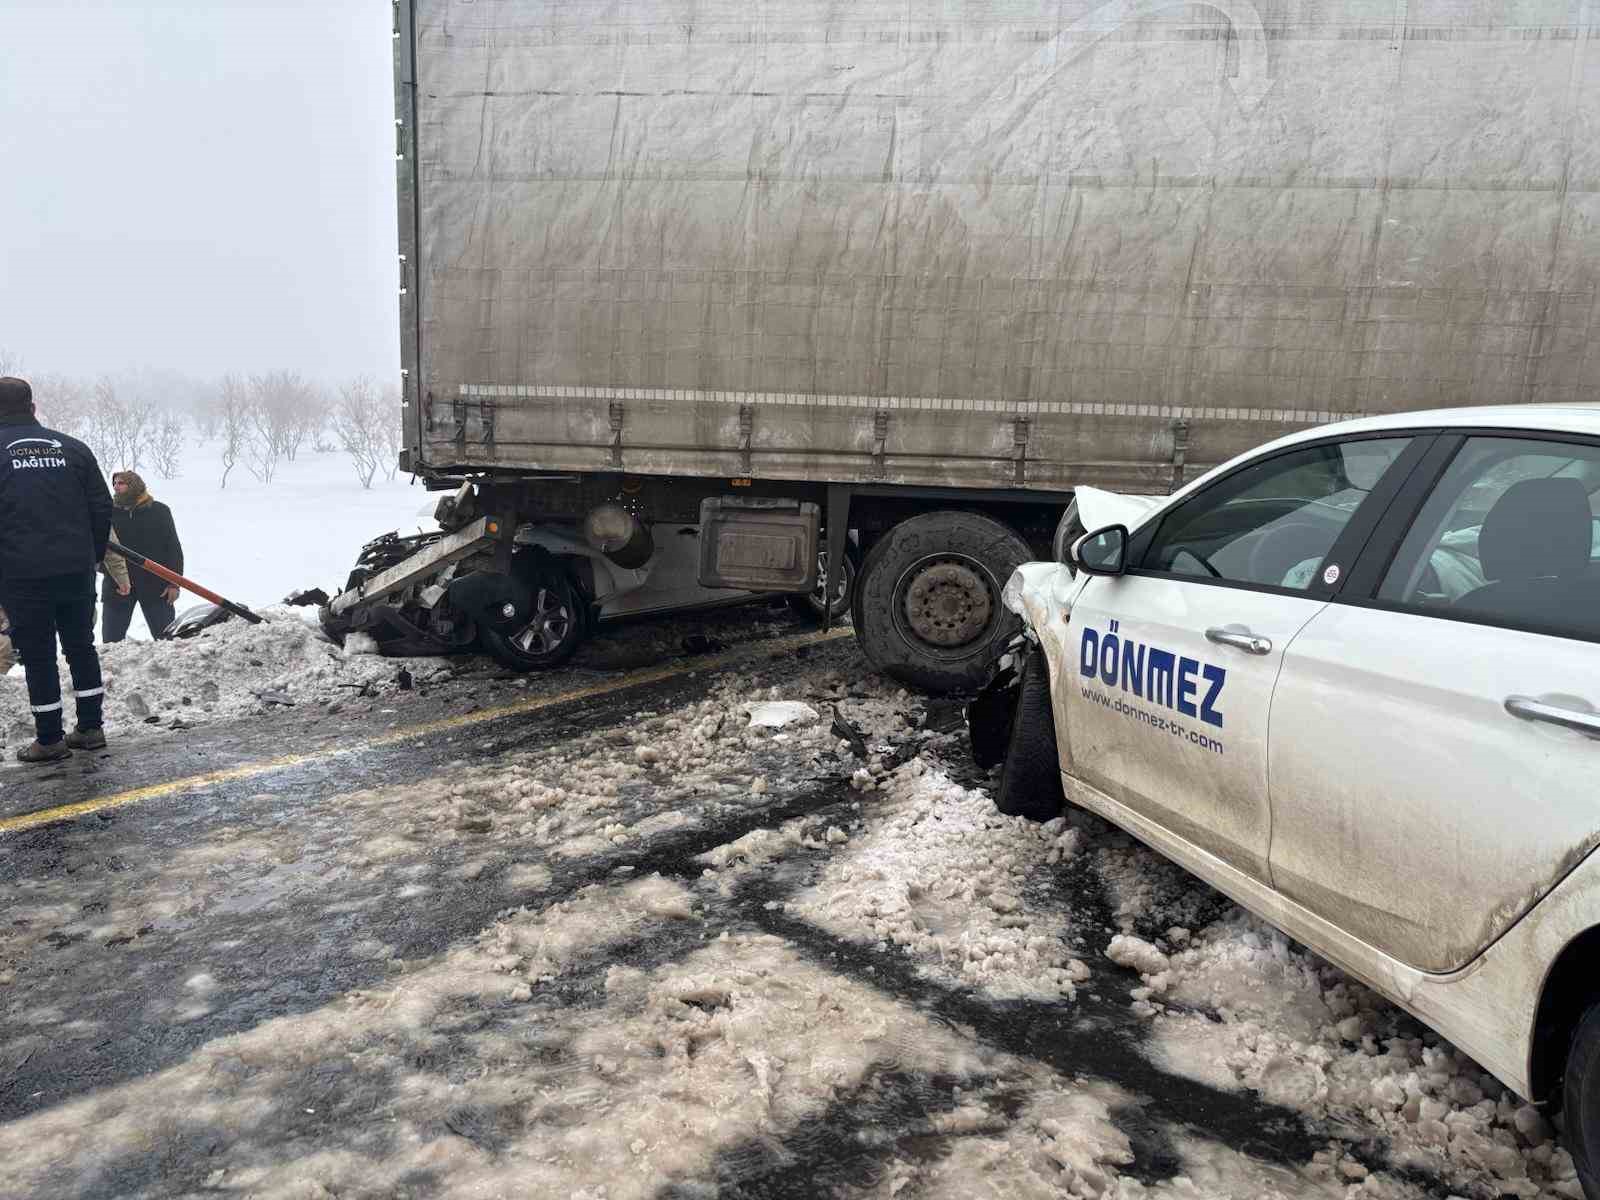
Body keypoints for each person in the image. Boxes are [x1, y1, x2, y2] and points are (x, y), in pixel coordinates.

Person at [0, 376, 114, 762]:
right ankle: (91, 728)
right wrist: (91, 556)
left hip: (21, 574)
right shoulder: (74, 449)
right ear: (32, 407)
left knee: (38, 655)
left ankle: (49, 739)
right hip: (75, 569)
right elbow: (102, 507)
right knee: (81, 646)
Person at [103, 469, 183, 641]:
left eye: (121, 483)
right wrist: (106, 570)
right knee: (111, 643)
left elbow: (173, 548)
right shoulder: (107, 512)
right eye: (114, 483)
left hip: (156, 585)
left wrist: (174, 583)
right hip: (118, 585)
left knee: (167, 640)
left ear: (134, 485)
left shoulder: (159, 511)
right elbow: (99, 547)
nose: (116, 487)